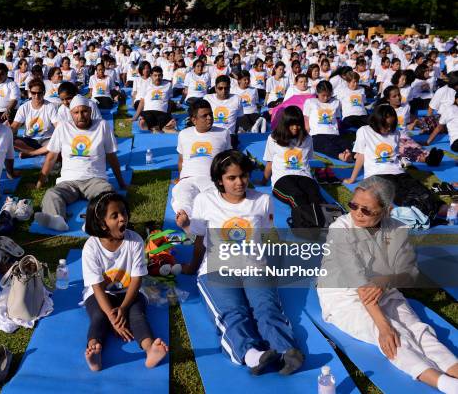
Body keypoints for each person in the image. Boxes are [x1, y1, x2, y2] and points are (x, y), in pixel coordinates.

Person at [317, 176, 458, 393]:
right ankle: (447, 384)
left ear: (386, 210)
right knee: (394, 334)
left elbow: (409, 274)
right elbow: (360, 286)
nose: (357, 213)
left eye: (367, 210)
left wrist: (386, 281)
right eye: (353, 205)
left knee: (419, 329)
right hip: (344, 296)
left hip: (385, 289)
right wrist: (383, 327)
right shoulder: (341, 229)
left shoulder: (398, 229)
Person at [176, 149, 304, 375]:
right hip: (216, 269)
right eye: (231, 178)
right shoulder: (205, 200)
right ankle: (251, 354)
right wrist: (192, 267)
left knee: (267, 308)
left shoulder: (263, 201)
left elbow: (267, 235)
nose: (239, 182)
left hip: (254, 267)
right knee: (233, 311)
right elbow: (199, 239)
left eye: (243, 175)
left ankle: (285, 351)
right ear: (219, 180)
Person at [82, 191, 169, 371]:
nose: (123, 218)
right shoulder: (91, 247)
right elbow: (97, 287)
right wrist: (113, 318)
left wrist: (123, 308)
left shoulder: (135, 241)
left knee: (137, 314)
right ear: (102, 223)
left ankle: (150, 348)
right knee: (99, 316)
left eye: (124, 212)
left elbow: (137, 280)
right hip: (101, 295)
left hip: (130, 292)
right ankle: (94, 350)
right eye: (115, 216)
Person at [35, 95, 127, 230]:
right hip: (68, 180)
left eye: (84, 111)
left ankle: (93, 221)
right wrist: (39, 183)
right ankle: (57, 220)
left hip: (95, 179)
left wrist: (121, 183)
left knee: (108, 195)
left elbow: (112, 157)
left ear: (90, 111)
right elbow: (51, 158)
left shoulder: (102, 126)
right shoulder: (63, 128)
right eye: (76, 112)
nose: (80, 116)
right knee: (52, 194)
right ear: (71, 113)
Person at [343, 105, 443, 220]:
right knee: (402, 196)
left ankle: (442, 209)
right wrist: (352, 178)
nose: (389, 129)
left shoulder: (396, 133)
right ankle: (425, 214)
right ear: (376, 121)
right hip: (377, 175)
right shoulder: (364, 131)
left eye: (391, 125)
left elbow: (395, 156)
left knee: (422, 191)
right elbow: (361, 156)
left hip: (398, 172)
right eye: (385, 125)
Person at [173, 99, 231, 225]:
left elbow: (228, 159)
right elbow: (181, 160)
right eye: (204, 116)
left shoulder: (224, 133)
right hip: (188, 178)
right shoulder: (183, 134)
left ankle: (211, 221)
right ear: (194, 120)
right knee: (182, 195)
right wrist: (180, 177)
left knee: (216, 200)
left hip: (212, 178)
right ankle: (184, 216)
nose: (209, 118)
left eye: (210, 114)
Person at [261, 106, 324, 208]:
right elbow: (270, 163)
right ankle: (306, 222)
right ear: (285, 124)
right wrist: (263, 181)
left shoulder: (307, 138)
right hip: (282, 178)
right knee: (297, 197)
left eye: (298, 124)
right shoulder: (273, 138)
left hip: (304, 176)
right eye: (291, 124)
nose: (295, 127)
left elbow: (307, 160)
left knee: (316, 198)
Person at [380, 86, 444, 166]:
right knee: (406, 149)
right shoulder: (383, 109)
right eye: (394, 96)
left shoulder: (406, 107)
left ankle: (431, 157)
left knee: (416, 147)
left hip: (405, 136)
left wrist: (416, 124)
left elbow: (410, 118)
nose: (398, 97)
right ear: (388, 99)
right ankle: (427, 160)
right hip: (391, 137)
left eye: (399, 94)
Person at [303, 81, 354, 162]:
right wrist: (307, 136)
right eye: (323, 95)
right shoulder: (310, 102)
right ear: (317, 92)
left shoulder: (335, 102)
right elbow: (306, 119)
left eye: (328, 95)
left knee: (345, 142)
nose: (326, 98)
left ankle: (348, 153)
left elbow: (337, 119)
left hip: (333, 134)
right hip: (317, 135)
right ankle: (341, 155)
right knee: (325, 146)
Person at [11, 79, 57, 156]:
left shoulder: (50, 106)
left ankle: (32, 153)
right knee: (12, 141)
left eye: (39, 93)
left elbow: (57, 126)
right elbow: (14, 126)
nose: (36, 96)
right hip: (29, 140)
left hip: (46, 139)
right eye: (33, 93)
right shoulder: (24, 107)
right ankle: (38, 152)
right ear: (30, 93)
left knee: (56, 145)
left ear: (44, 93)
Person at [132, 66, 176, 133]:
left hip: (162, 111)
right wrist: (135, 116)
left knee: (165, 118)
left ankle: (156, 127)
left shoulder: (168, 85)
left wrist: (169, 114)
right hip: (149, 111)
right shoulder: (146, 85)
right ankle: (158, 127)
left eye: (159, 75)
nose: (157, 77)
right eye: (155, 75)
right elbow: (142, 102)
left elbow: (169, 101)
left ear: (162, 75)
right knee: (146, 118)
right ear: (151, 76)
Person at [203, 75, 243, 148]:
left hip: (229, 135)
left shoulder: (237, 99)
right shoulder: (207, 98)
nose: (223, 91)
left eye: (226, 88)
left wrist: (235, 133)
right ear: (215, 88)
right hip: (211, 133)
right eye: (220, 88)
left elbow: (238, 119)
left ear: (230, 88)